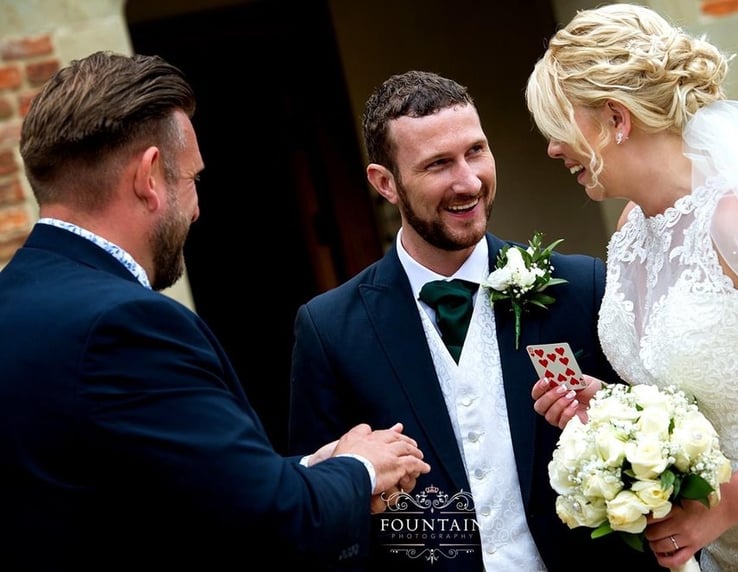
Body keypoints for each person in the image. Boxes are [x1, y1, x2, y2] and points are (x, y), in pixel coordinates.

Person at [0, 50, 431, 570]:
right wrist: (362, 468)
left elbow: (161, 493)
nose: (197, 208)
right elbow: (271, 523)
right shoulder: (126, 324)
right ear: (150, 176)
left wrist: (311, 468)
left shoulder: (13, 301)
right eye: (193, 180)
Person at [287, 70, 661, 571]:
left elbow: (650, 446)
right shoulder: (329, 329)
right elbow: (320, 512)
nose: (468, 181)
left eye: (476, 151)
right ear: (385, 183)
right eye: (438, 164)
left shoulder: (579, 288)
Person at [526, 4, 738, 571]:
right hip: (720, 556)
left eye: (559, 124)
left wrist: (724, 506)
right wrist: (610, 410)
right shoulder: (631, 230)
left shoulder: (737, 222)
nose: (551, 148)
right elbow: (686, 390)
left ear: (616, 118)